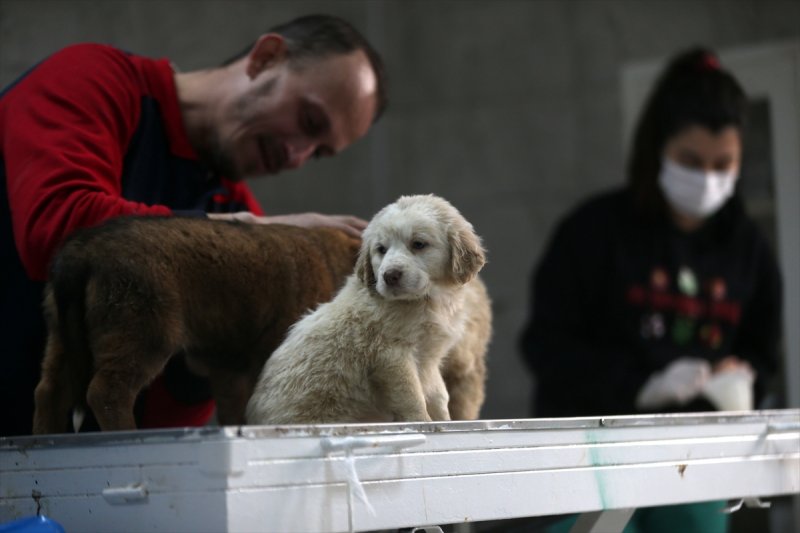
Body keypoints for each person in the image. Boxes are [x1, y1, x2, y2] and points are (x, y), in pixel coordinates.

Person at [0, 14, 388, 437]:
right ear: (266, 58)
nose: (296, 156)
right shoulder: (94, 79)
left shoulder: (236, 210)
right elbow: (56, 229)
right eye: (309, 122)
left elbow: (168, 418)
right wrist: (260, 231)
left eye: (317, 153)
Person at [519, 47, 782, 532]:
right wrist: (640, 386)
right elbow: (545, 346)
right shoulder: (593, 232)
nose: (706, 178)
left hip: (695, 460)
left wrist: (739, 379)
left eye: (723, 164)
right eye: (691, 160)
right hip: (589, 456)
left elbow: (761, 352)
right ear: (656, 149)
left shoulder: (749, 251)